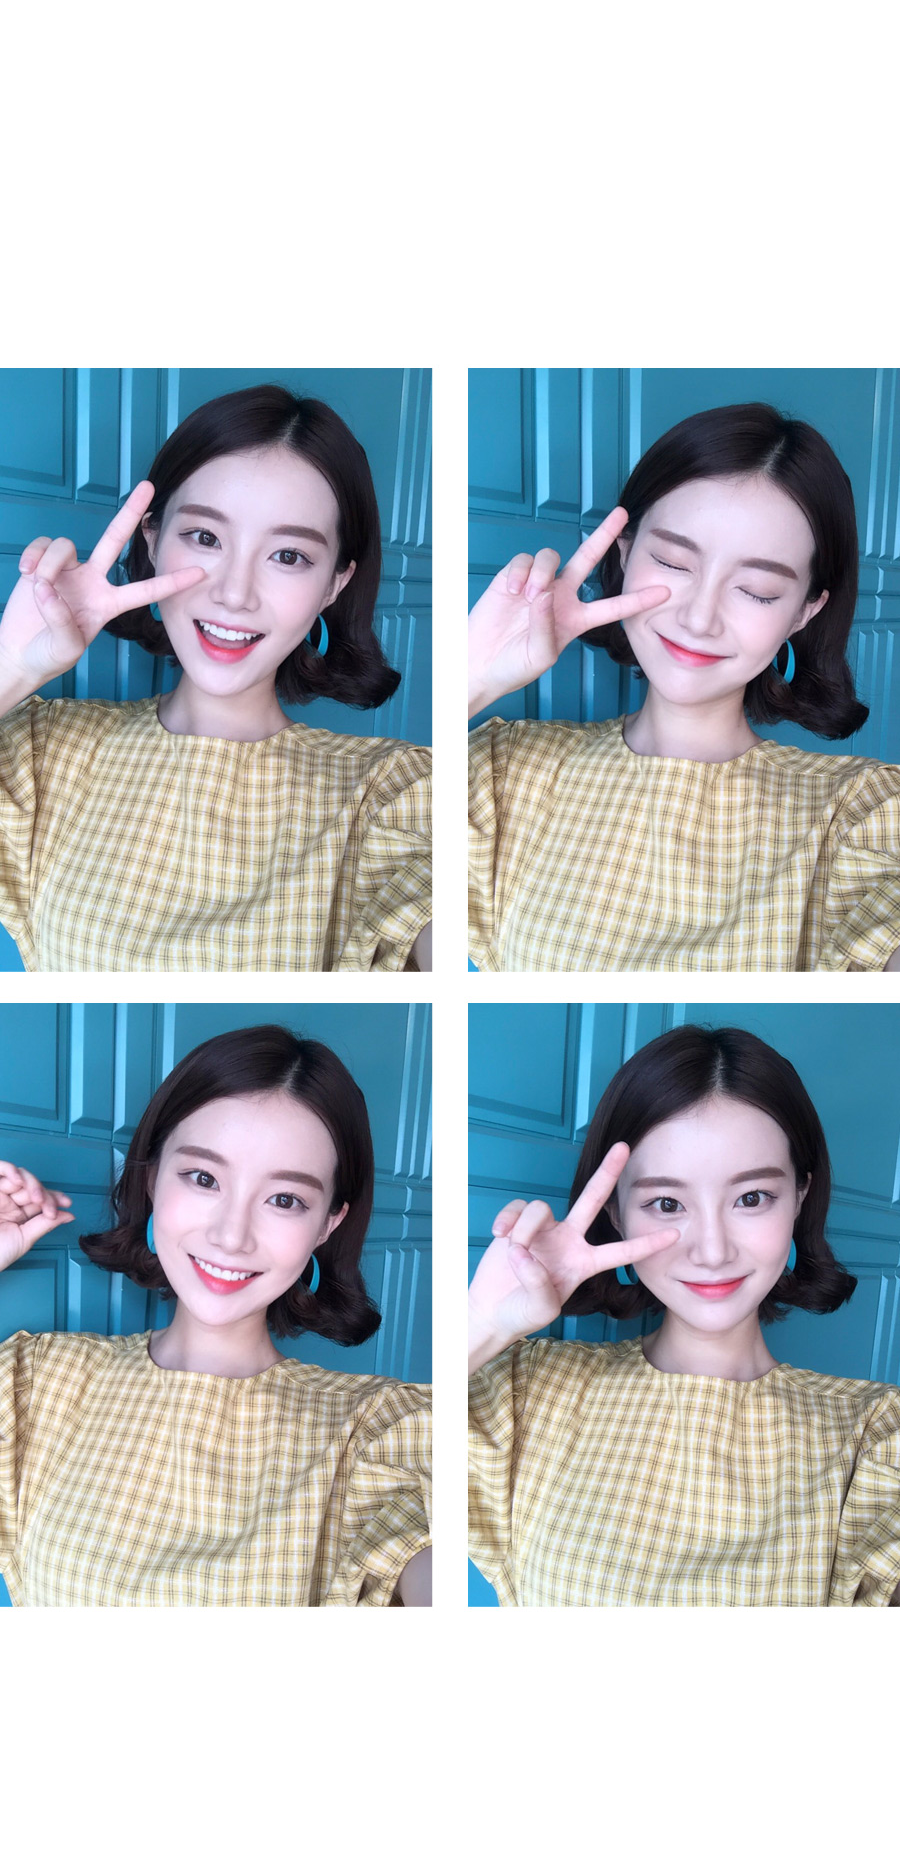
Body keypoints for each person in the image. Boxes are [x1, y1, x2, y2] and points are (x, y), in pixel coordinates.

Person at [0, 385, 431, 972]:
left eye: (289, 556)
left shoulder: (389, 791)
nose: (234, 593)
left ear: (334, 583)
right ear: (152, 540)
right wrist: (11, 665)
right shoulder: (41, 750)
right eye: (205, 538)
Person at [468, 1026, 900, 1608]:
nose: (712, 1251)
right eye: (667, 1203)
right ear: (616, 1213)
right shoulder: (524, 1390)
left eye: (752, 1198)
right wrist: (483, 1320)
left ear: (800, 1195)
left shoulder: (873, 1431)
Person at [0, 1027, 431, 1607]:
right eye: (204, 1179)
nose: (231, 1235)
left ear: (327, 1225)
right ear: (152, 1178)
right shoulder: (37, 1380)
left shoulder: (374, 1429)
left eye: (285, 1200)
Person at [468, 398, 900, 972]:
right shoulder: (501, 769)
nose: (699, 619)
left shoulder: (861, 811)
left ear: (804, 611)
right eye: (674, 561)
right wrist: (472, 674)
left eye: (758, 591)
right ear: (625, 553)